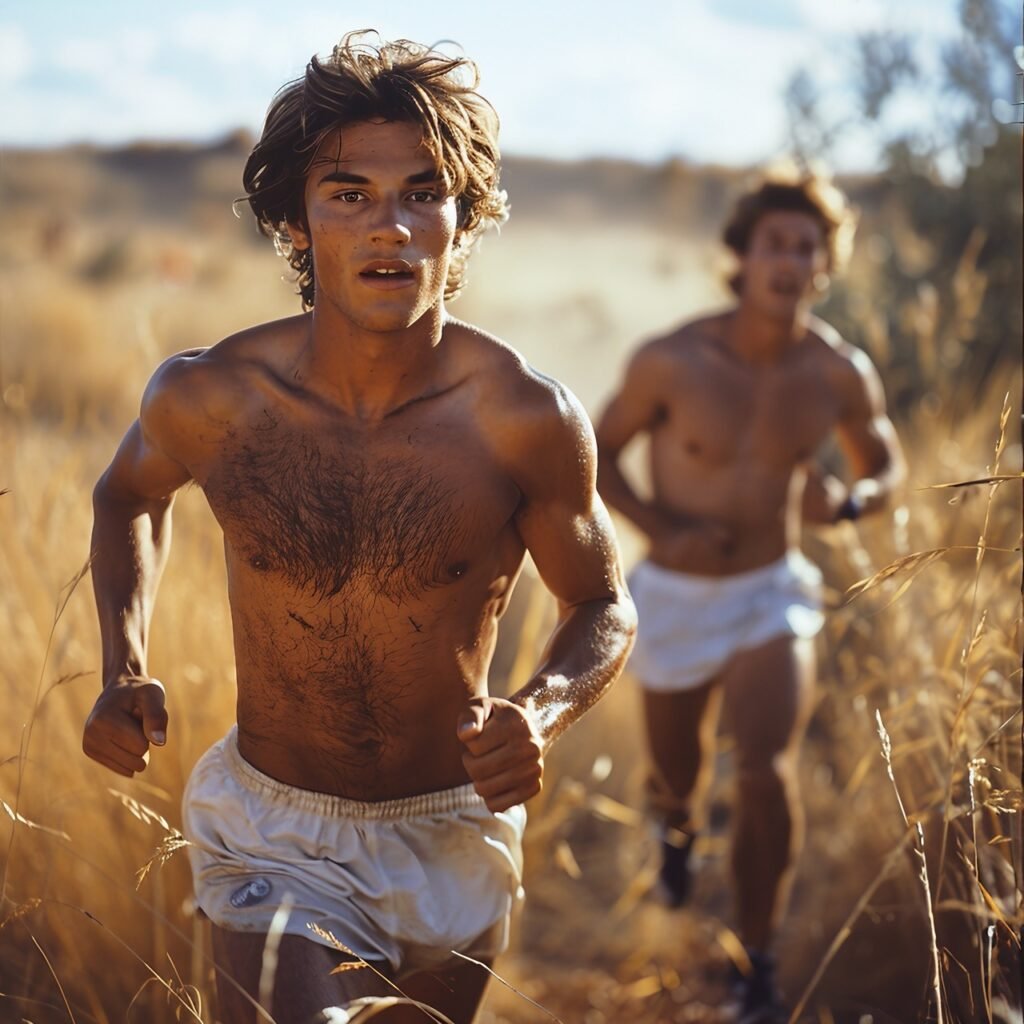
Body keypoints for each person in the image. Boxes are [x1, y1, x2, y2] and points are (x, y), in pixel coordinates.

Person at [82, 32, 636, 1024]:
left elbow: (600, 599)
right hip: (272, 828)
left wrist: (540, 709)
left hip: (452, 828)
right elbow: (127, 495)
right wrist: (122, 664)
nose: (391, 228)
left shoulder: (521, 418)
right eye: (349, 194)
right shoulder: (213, 398)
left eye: (424, 193)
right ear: (295, 222)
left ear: (463, 223)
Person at [595, 170, 905, 1023]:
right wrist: (663, 525)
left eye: (807, 246)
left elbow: (884, 464)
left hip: (771, 593)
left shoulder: (836, 371)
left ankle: (757, 964)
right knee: (675, 774)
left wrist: (845, 504)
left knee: (767, 773)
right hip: (676, 596)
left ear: (823, 266)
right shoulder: (673, 358)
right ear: (743, 254)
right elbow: (595, 452)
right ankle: (676, 838)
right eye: (775, 242)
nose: (790, 259)